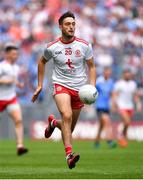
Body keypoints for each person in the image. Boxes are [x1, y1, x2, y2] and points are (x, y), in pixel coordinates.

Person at [32, 11, 96, 169]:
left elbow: (92, 66)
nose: (71, 27)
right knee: (66, 115)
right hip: (61, 85)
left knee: (69, 127)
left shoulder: (84, 45)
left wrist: (92, 86)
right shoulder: (52, 47)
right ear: (60, 26)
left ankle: (53, 123)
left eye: (73, 24)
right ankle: (69, 156)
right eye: (68, 24)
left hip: (80, 90)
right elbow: (41, 62)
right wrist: (40, 84)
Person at [0, 44, 28, 155]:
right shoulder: (2, 66)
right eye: (13, 54)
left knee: (18, 120)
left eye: (17, 54)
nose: (16, 56)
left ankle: (20, 146)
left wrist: (19, 84)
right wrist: (4, 81)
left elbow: (13, 80)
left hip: (11, 98)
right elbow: (6, 80)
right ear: (7, 54)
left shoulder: (16, 68)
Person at [112, 68, 142, 147]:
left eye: (129, 73)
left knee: (127, 124)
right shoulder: (119, 84)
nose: (127, 75)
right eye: (126, 73)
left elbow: (135, 95)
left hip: (130, 106)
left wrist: (138, 104)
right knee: (127, 121)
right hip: (121, 106)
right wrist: (114, 105)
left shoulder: (133, 84)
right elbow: (114, 94)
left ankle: (123, 139)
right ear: (123, 74)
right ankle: (120, 135)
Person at [94, 67, 116, 148]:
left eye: (109, 72)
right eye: (107, 72)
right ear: (104, 72)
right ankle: (109, 141)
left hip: (107, 107)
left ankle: (96, 142)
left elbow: (113, 94)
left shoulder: (111, 82)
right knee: (107, 121)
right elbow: (92, 92)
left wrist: (113, 104)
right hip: (99, 106)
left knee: (101, 125)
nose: (108, 74)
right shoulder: (99, 81)